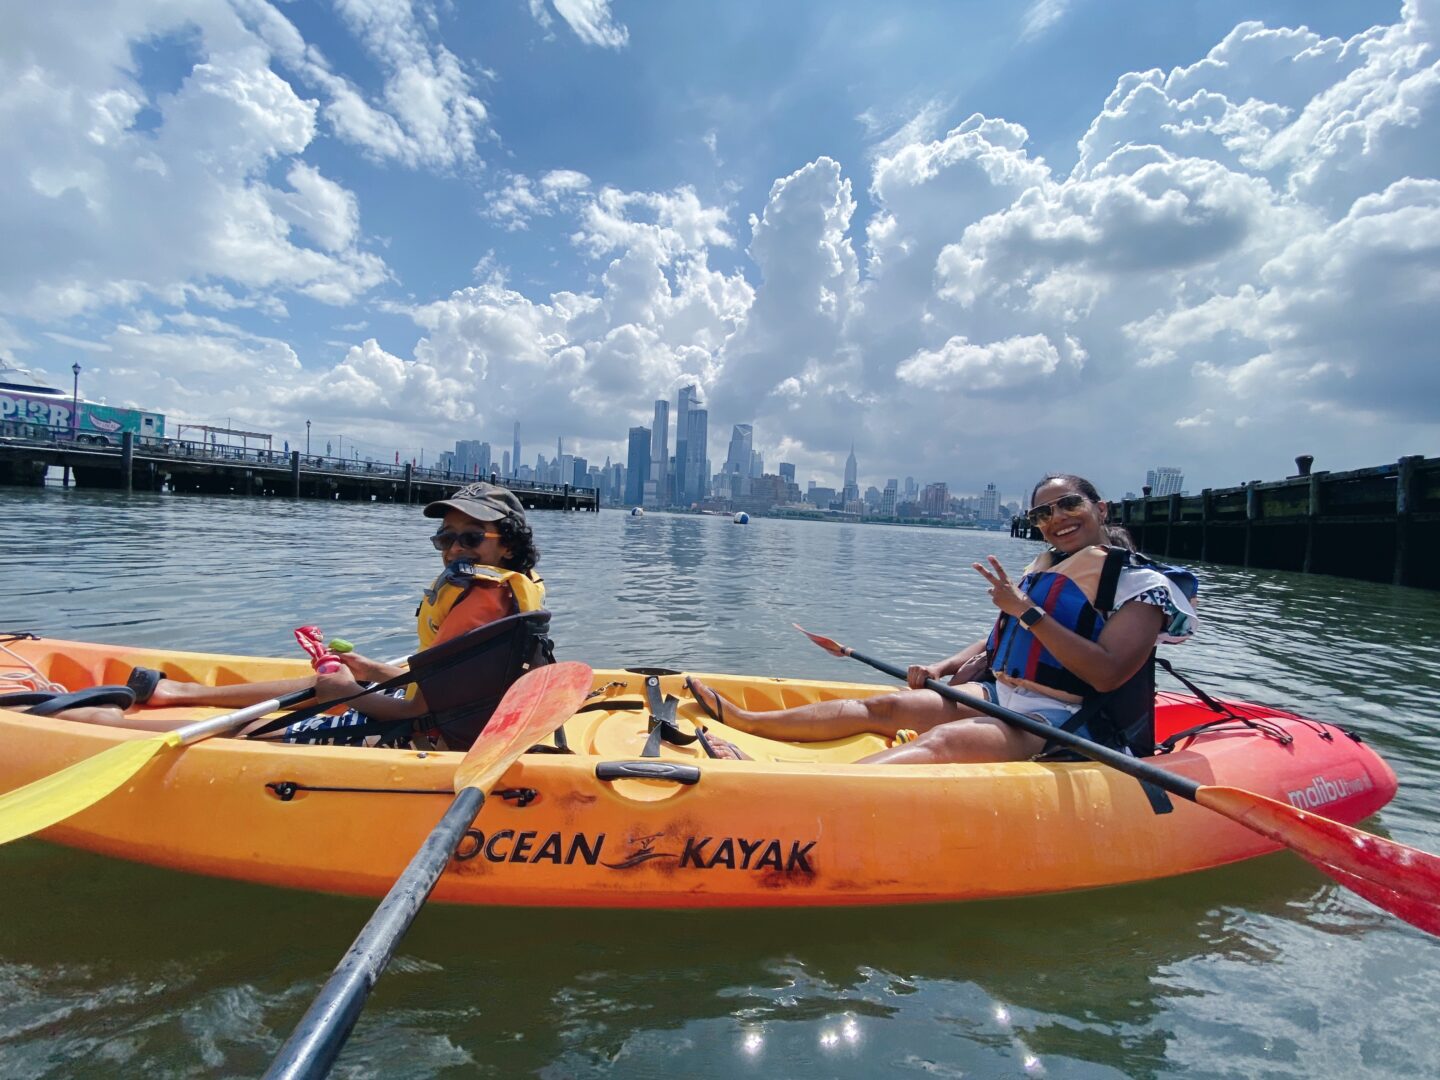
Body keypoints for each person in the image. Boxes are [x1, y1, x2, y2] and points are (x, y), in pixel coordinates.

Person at [687, 473, 1197, 765]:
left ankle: (796, 788)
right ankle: (748, 721)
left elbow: (1106, 672)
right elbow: (1004, 635)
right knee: (887, 705)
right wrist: (940, 664)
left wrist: (1027, 611)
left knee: (947, 743)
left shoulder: (1143, 586)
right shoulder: (1049, 570)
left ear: (1099, 507)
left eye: (1068, 505)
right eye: (1043, 514)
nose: (1056, 519)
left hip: (1068, 721)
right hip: (1004, 694)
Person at [104, 482, 547, 747]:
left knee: (259, 730)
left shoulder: (479, 600)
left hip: (425, 732)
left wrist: (350, 694)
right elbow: (451, 681)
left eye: (471, 538)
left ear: (505, 543)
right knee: (326, 683)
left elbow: (417, 709)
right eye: (446, 538)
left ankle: (107, 728)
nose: (454, 549)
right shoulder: (501, 591)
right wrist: (369, 671)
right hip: (454, 714)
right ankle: (179, 693)